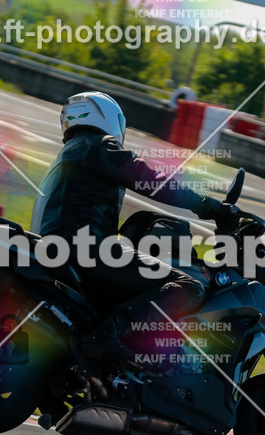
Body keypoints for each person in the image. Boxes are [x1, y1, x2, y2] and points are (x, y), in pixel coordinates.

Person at [30, 91, 230, 366]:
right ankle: (107, 336)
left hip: (56, 250)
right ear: (109, 118)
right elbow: (150, 179)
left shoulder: (68, 155)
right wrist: (209, 206)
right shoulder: (100, 145)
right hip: (85, 249)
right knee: (189, 286)